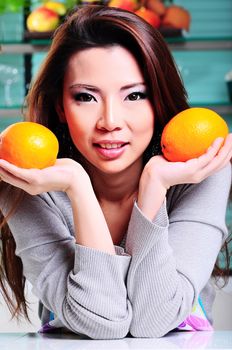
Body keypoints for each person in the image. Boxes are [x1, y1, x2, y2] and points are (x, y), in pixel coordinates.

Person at [0, 5, 231, 339]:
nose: (110, 121)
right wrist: (77, 188)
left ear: (158, 102)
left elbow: (155, 320)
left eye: (135, 95)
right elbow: (101, 322)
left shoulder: (199, 174)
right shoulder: (28, 183)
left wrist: (153, 188)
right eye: (85, 97)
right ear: (60, 108)